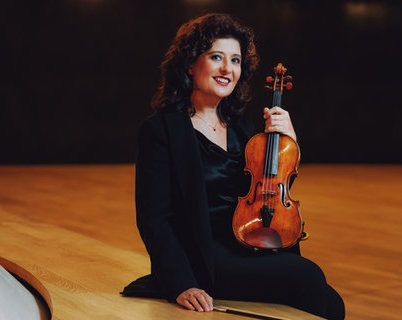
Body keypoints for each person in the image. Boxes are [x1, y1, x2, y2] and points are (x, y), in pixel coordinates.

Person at [127, 12, 345, 319]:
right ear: (190, 63)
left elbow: (265, 194)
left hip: (246, 242)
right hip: (204, 255)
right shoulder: (162, 130)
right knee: (307, 276)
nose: (228, 69)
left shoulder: (240, 125)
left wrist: (288, 141)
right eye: (216, 57)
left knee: (333, 304)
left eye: (236, 60)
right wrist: (182, 284)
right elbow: (154, 219)